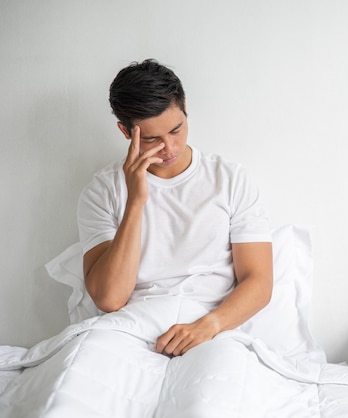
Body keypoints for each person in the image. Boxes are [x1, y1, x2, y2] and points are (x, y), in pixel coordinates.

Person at [78, 58, 273, 357]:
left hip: (213, 328)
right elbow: (109, 298)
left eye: (176, 130)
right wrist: (135, 201)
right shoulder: (103, 190)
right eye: (153, 139)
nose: (169, 147)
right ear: (126, 132)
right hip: (131, 327)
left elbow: (258, 281)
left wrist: (208, 326)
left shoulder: (230, 179)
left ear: (185, 108)